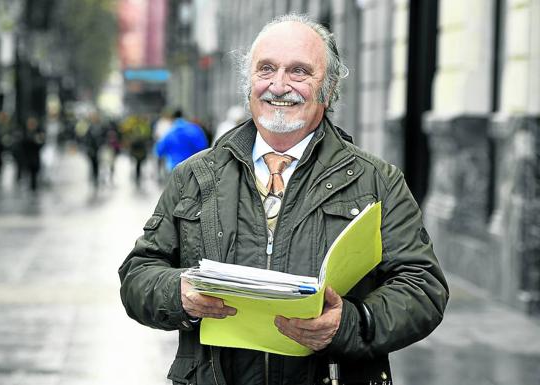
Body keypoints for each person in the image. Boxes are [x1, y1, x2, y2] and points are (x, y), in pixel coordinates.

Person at [119, 14, 448, 385]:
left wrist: (352, 323)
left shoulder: (378, 181)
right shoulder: (195, 176)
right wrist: (177, 294)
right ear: (249, 84)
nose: (278, 86)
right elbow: (137, 275)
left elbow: (424, 288)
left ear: (329, 87)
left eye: (299, 72)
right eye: (266, 69)